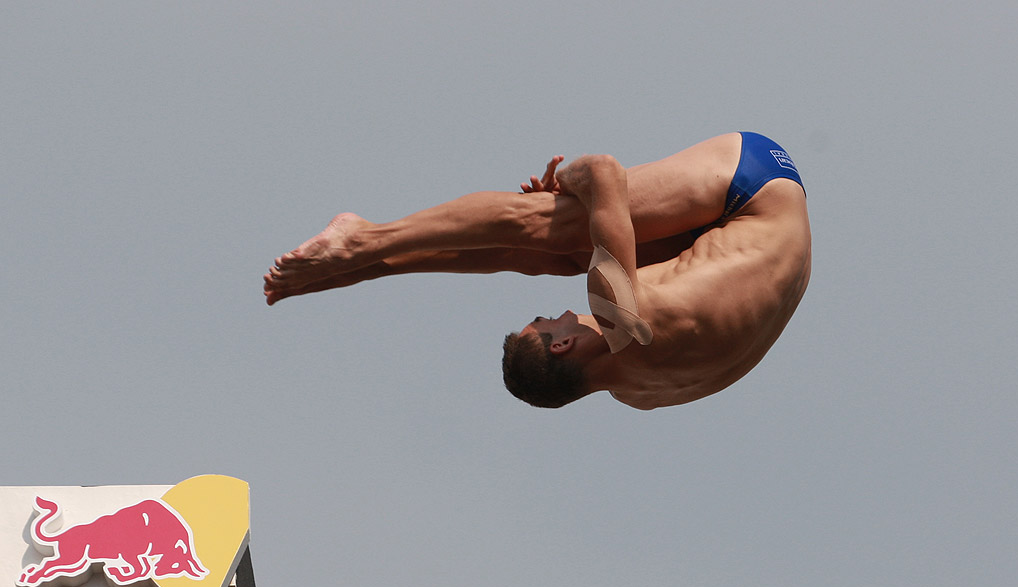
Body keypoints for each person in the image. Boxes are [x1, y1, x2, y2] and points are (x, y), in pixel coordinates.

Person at [263, 132, 811, 410]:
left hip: (762, 244)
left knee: (556, 254)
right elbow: (604, 169)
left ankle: (369, 266)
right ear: (562, 347)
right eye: (552, 320)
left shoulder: (639, 394)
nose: (565, 311)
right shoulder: (619, 314)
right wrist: (565, 186)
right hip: (754, 186)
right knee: (546, 225)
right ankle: (364, 239)